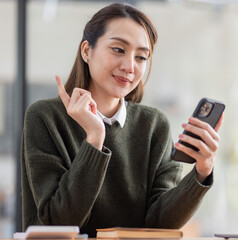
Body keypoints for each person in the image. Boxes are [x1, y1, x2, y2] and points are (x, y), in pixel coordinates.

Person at [21, 3, 223, 237]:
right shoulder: (44, 118)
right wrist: (95, 140)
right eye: (118, 50)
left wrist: (202, 171)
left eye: (141, 57)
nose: (129, 66)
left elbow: (160, 224)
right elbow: (59, 223)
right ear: (87, 51)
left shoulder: (154, 125)